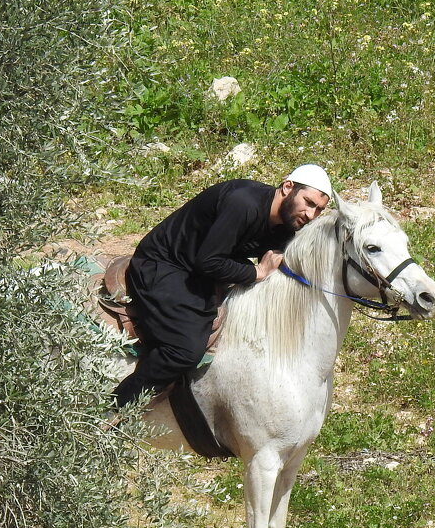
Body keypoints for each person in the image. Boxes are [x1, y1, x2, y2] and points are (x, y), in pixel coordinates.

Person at [111, 164, 333, 408]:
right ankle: (114, 409)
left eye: (319, 210)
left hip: (202, 268)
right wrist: (256, 272)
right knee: (183, 350)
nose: (311, 215)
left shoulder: (286, 222)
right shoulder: (244, 204)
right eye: (309, 203)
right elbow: (208, 261)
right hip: (164, 265)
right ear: (287, 186)